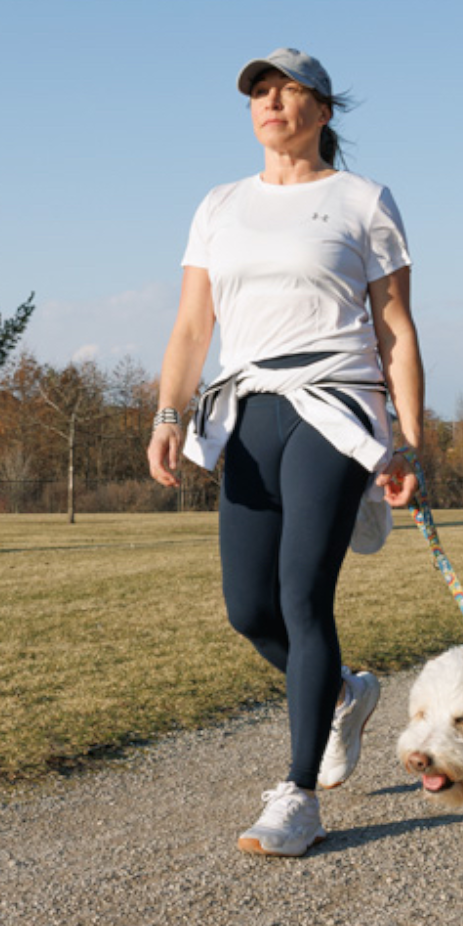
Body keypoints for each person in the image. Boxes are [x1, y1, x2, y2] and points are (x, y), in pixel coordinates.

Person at [147, 48, 425, 857]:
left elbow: (397, 330)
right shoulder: (219, 204)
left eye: (288, 90)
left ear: (324, 111)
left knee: (303, 597)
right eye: (258, 93)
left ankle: (297, 795)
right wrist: (169, 413)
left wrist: (406, 438)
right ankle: (342, 693)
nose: (270, 102)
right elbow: (193, 324)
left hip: (335, 408)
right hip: (246, 407)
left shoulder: (363, 200)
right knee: (249, 610)